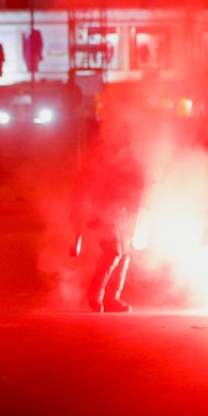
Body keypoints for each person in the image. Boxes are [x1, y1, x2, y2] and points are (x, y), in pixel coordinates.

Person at [70, 119, 145, 313]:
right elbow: (81, 188)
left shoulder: (128, 157)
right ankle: (95, 295)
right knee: (114, 251)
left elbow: (137, 184)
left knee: (125, 252)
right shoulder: (99, 158)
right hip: (101, 212)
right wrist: (77, 218)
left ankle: (112, 298)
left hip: (122, 213)